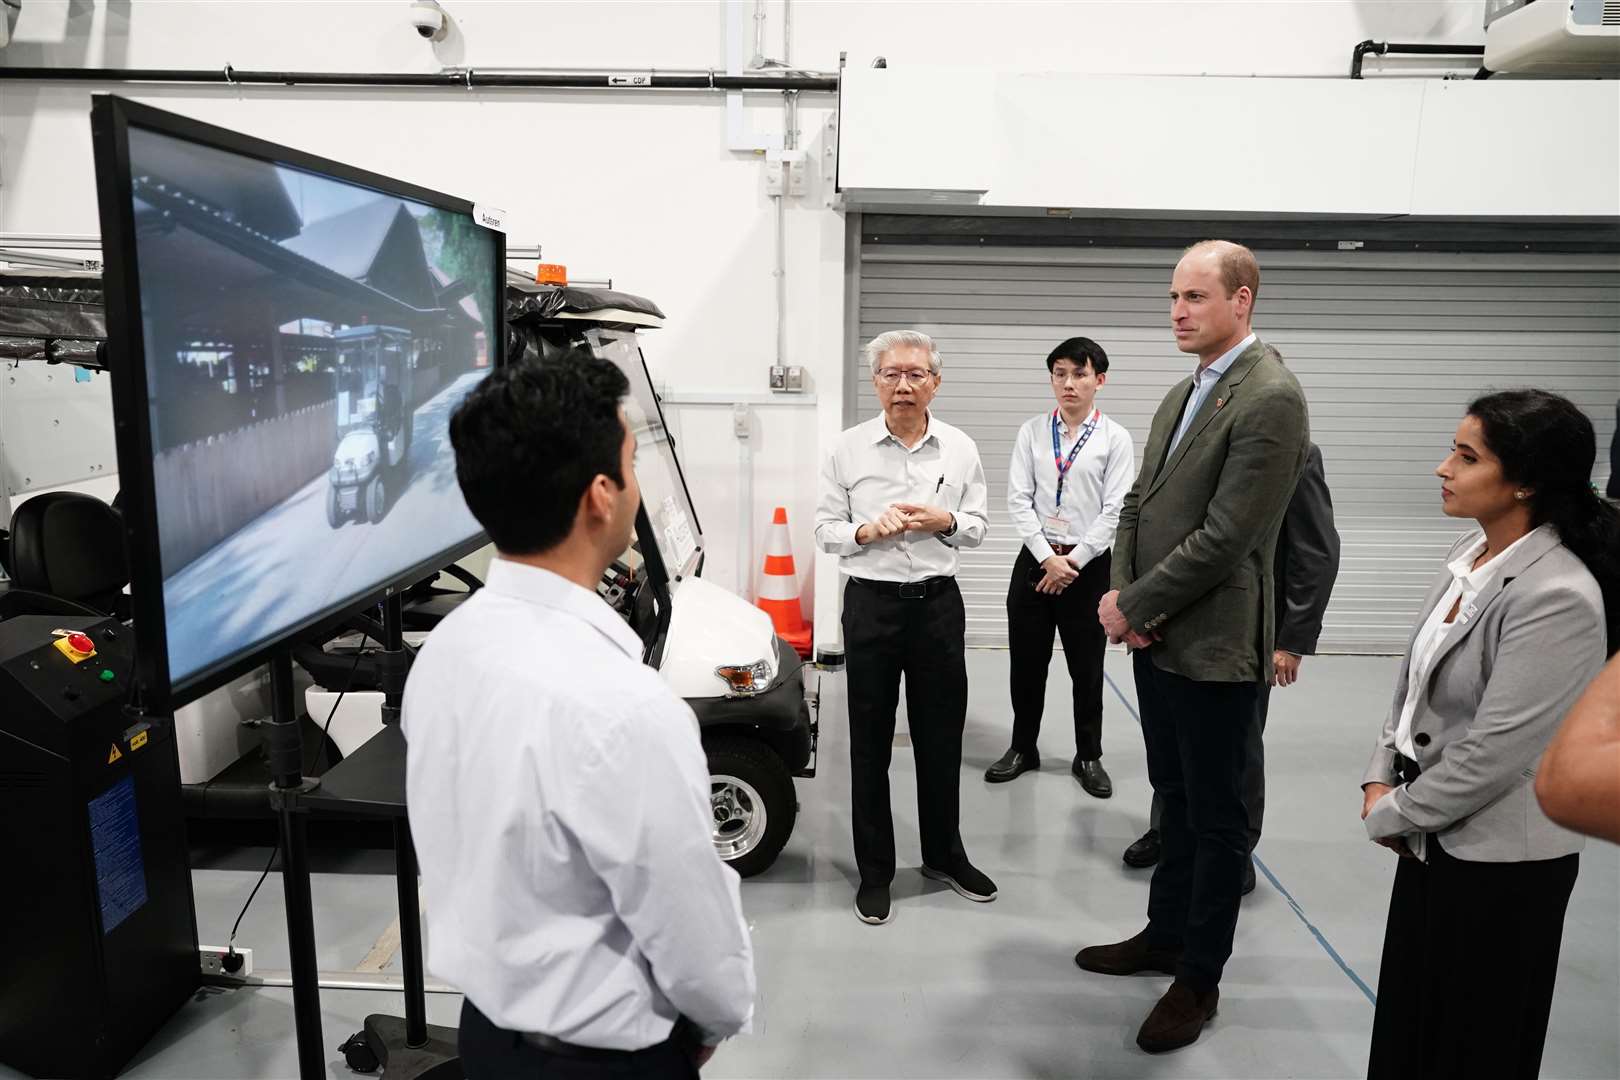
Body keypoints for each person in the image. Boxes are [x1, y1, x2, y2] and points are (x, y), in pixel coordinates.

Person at [403, 352, 755, 1078]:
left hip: (487, 1033)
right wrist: (719, 1017)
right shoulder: (625, 706)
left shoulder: (446, 649)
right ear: (601, 495)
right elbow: (689, 925)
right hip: (601, 1059)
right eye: (632, 464)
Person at [1079, 240, 1310, 1054]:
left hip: (1214, 647)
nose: (1178, 311)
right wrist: (1126, 600)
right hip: (1157, 636)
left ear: (1241, 301)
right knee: (1173, 797)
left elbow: (1228, 536)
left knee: (1217, 821)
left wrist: (1135, 602)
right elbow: (1139, 502)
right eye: (1174, 297)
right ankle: (1164, 935)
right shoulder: (1184, 390)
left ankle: (1199, 978)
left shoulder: (1271, 396)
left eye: (1196, 297)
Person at [1361, 388, 1618, 1080]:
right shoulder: (1471, 552)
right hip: (1434, 839)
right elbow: (1412, 679)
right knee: (1413, 1021)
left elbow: (1496, 753)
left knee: (1475, 1042)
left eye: (1466, 456)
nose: (1443, 467)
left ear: (1526, 481)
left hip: (1502, 867)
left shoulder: (1557, 595)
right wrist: (1379, 771)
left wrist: (1394, 813)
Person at [815, 329, 996, 926]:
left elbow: (977, 525)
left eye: (916, 374)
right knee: (868, 744)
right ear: (875, 382)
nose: (903, 385)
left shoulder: (960, 448)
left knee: (941, 738)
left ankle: (945, 854)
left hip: (938, 608)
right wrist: (866, 532)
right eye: (891, 374)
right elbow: (825, 530)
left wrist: (945, 520)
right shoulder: (846, 450)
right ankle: (876, 872)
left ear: (935, 382)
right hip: (871, 606)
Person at [1121, 441, 1341, 895]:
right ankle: (1169, 831)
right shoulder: (1193, 442)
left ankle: (1234, 852)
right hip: (1176, 618)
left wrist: (1291, 639)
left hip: (1244, 627)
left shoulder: (1294, 452)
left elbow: (1315, 551)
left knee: (1237, 746)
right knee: (1173, 738)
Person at [987, 336, 1135, 794]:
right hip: (1036, 559)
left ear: (1099, 380)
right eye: (1060, 374)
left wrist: (1072, 561)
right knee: (1026, 664)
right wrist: (1048, 558)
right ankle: (1022, 747)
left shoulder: (1115, 438)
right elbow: (1017, 500)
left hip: (1087, 569)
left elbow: (1116, 509)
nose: (1068, 383)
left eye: (1080, 374)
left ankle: (1088, 755)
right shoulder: (1032, 432)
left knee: (1086, 668)